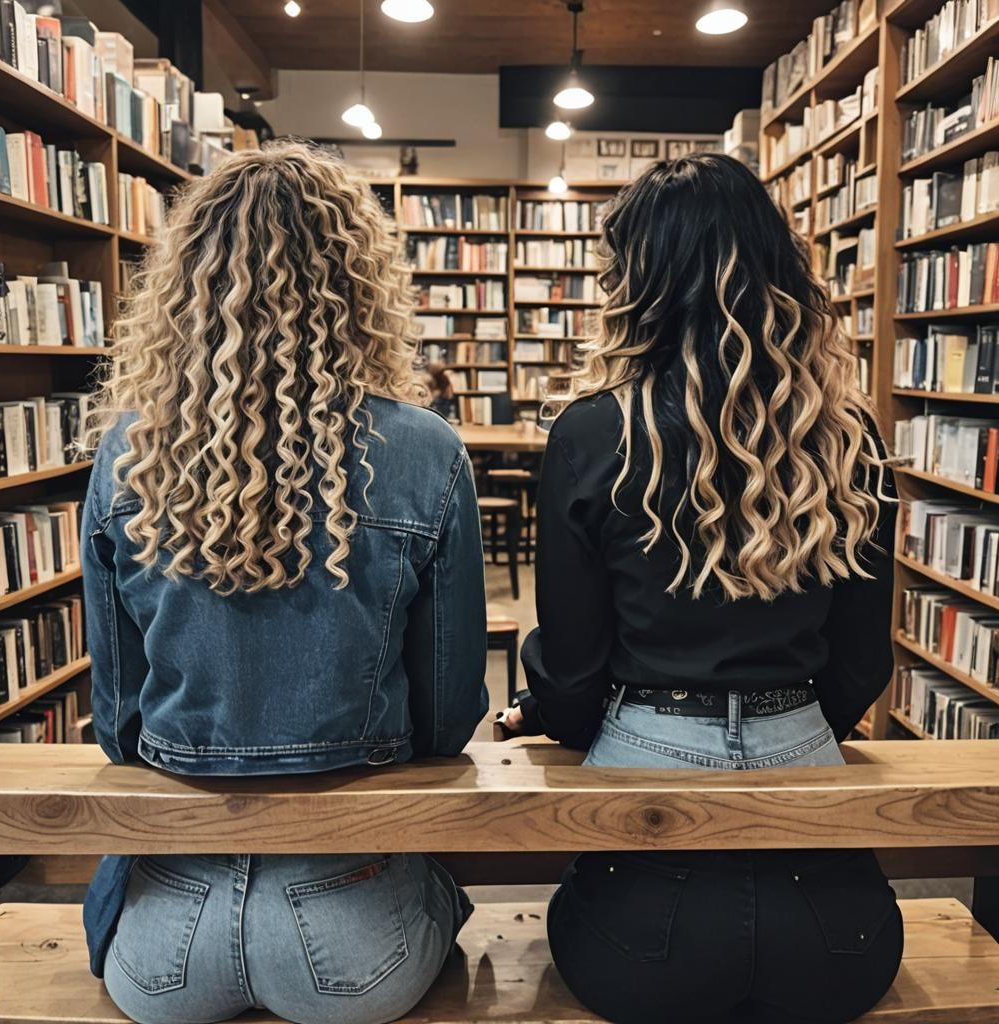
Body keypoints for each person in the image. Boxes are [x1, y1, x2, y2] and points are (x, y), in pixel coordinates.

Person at [80, 142, 488, 1024]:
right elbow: (448, 719)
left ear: (183, 287)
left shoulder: (128, 456)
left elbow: (117, 725)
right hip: (353, 929)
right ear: (358, 285)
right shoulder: (427, 452)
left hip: (166, 939)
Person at [498, 153, 902, 1024]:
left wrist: (557, 711)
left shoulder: (591, 433)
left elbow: (572, 671)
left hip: (642, 929)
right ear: (778, 268)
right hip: (842, 946)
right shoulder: (849, 437)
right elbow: (865, 663)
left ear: (637, 281)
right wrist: (785, 721)